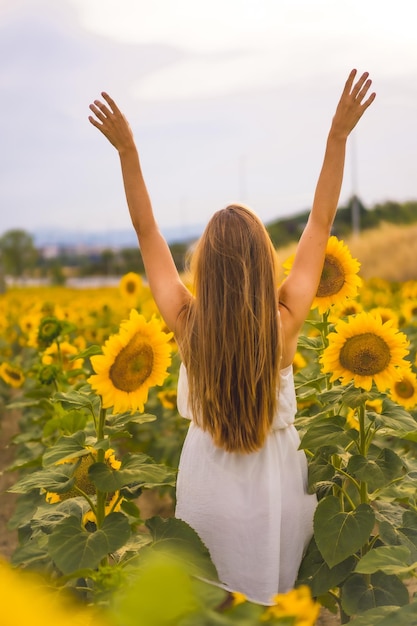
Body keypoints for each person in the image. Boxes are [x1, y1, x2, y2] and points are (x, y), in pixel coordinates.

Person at [88, 69, 375, 605]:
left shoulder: (187, 323)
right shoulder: (283, 323)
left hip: (209, 485)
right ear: (265, 261)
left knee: (215, 608)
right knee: (277, 604)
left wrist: (128, 152)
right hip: (277, 489)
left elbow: (147, 231)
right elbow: (320, 221)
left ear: (206, 271)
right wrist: (337, 137)